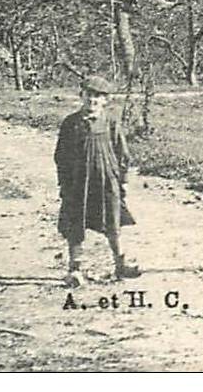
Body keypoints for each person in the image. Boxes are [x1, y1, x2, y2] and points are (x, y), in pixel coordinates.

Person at [55, 74, 140, 287]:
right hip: (79, 183)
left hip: (106, 180)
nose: (92, 100)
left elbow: (122, 153)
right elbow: (61, 156)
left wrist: (123, 180)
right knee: (76, 221)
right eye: (89, 95)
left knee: (113, 220)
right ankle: (75, 269)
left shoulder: (110, 122)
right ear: (81, 96)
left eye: (98, 96)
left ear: (105, 100)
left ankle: (120, 264)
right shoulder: (71, 123)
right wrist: (65, 184)